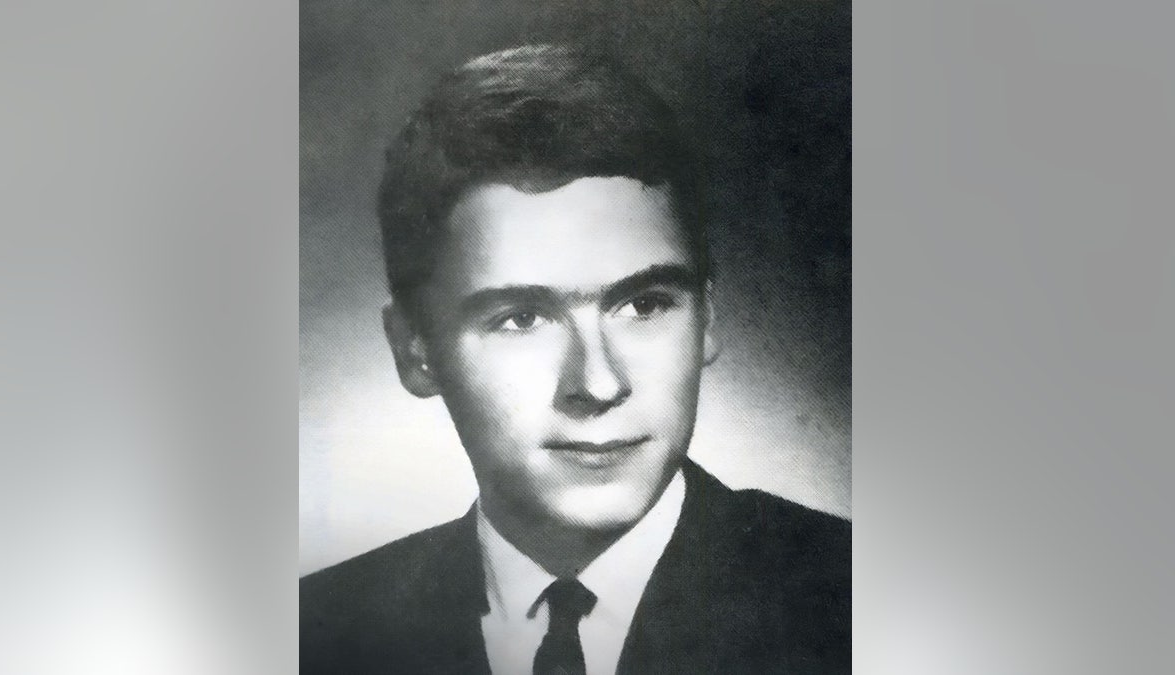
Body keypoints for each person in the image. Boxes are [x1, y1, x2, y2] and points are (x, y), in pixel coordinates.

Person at [300, 43, 850, 674]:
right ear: (413, 349)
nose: (598, 382)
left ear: (708, 318)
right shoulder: (313, 638)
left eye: (644, 305)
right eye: (522, 318)